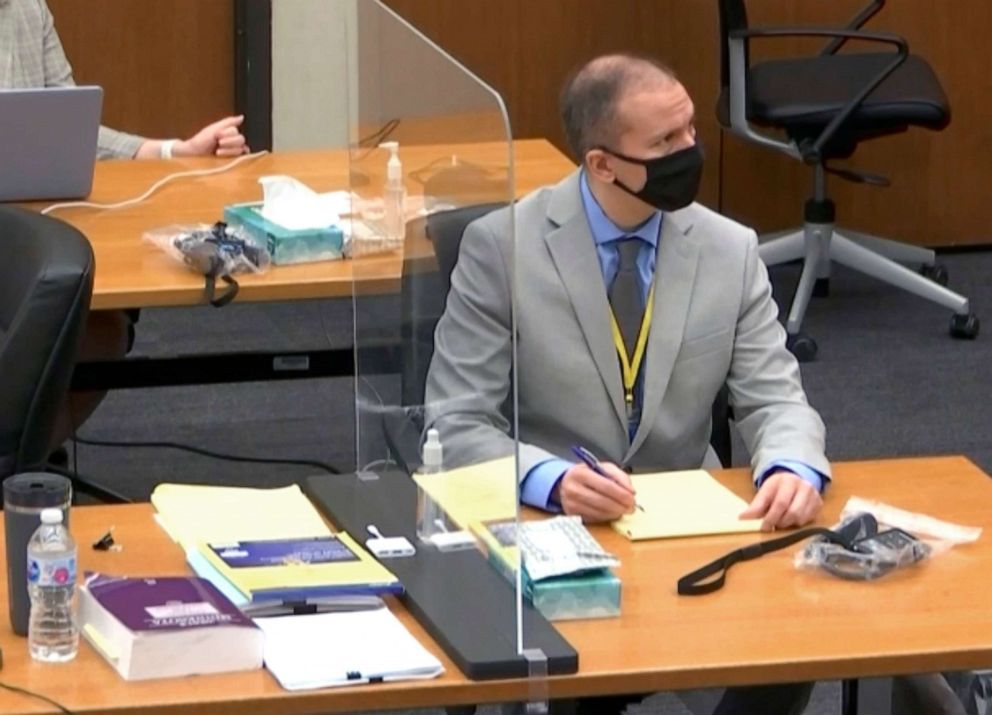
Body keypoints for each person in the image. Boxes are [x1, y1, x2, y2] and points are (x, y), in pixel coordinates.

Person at [424, 53, 830, 715]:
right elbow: (453, 422)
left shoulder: (730, 249)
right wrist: (547, 478)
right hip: (550, 532)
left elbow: (776, 397)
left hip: (688, 529)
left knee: (798, 644)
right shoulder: (503, 248)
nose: (688, 152)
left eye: (691, 132)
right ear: (601, 163)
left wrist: (791, 464)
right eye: (665, 143)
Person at [1, 0, 249, 449]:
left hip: (30, 233)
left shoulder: (29, 8)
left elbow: (67, 124)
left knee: (104, 329)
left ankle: (19, 467)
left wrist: (177, 150)